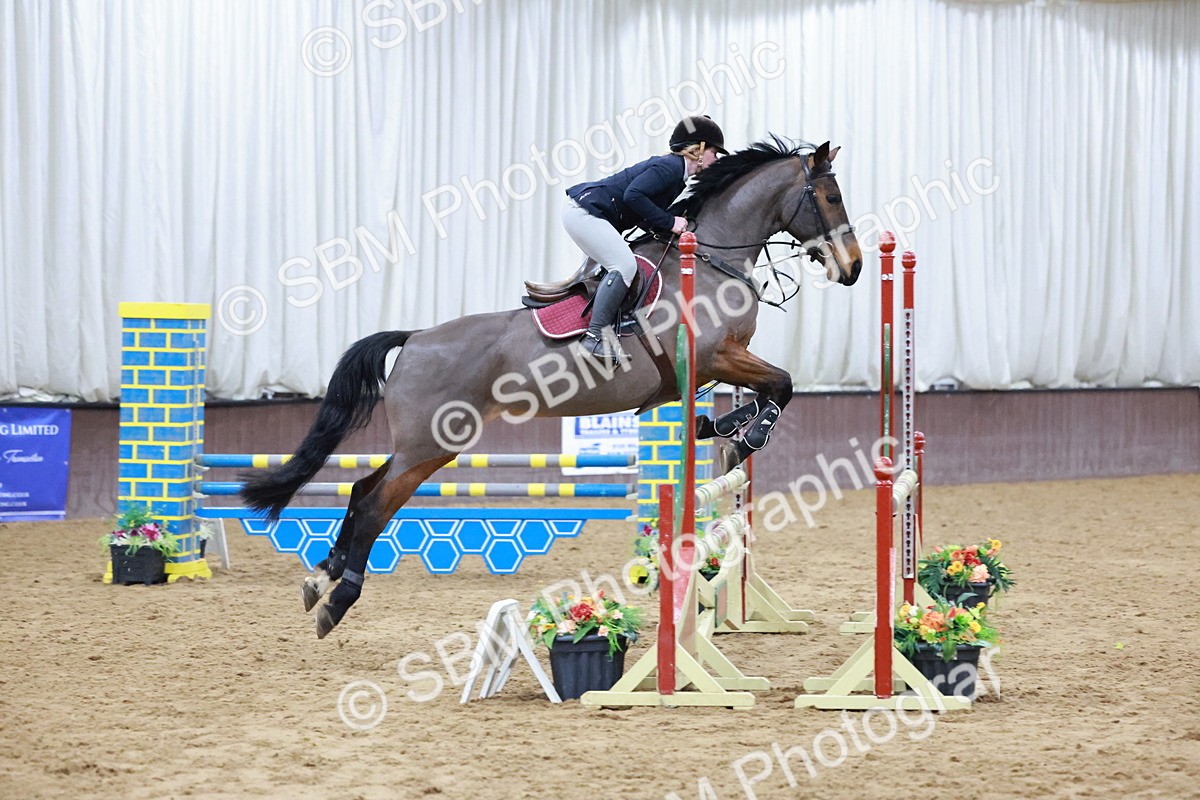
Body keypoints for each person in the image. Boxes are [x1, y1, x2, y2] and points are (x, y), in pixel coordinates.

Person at [563, 115, 728, 364]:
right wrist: (670, 222)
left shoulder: (676, 173)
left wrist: (667, 222)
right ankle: (594, 338)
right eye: (715, 152)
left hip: (588, 212)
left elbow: (643, 212)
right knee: (625, 266)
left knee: (622, 265)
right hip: (584, 213)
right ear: (699, 149)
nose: (716, 159)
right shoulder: (671, 167)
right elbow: (633, 196)